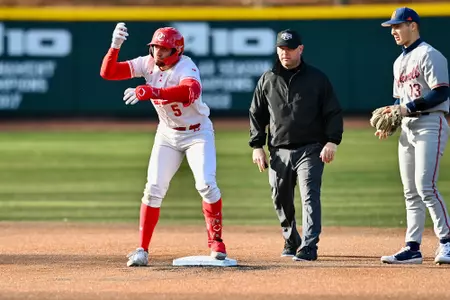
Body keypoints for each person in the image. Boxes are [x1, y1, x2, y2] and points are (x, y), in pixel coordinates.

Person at [100, 23, 227, 267]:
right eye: (155, 46)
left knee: (206, 184)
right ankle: (142, 249)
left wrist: (151, 91)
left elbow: (190, 91)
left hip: (197, 133)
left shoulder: (186, 66)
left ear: (176, 51)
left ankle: (216, 242)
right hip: (167, 134)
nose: (158, 52)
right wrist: (114, 47)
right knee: (153, 188)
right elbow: (109, 73)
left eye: (164, 48)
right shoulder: (147, 62)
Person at [249, 29, 343, 261]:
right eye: (281, 48)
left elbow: (332, 112)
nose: (285, 53)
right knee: (280, 197)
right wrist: (257, 146)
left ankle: (310, 246)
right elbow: (256, 114)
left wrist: (332, 141)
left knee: (309, 195)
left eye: (290, 48)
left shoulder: (317, 78)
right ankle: (292, 240)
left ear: (300, 49)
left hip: (310, 149)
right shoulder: (268, 78)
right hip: (278, 150)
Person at [378, 7, 450, 265]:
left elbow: (441, 92)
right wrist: (391, 120)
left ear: (413, 25)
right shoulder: (399, 62)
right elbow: (400, 99)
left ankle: (447, 242)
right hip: (408, 128)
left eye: (398, 26)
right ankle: (413, 247)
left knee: (425, 187)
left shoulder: (430, 55)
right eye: (392, 28)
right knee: (410, 191)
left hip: (431, 123)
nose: (394, 31)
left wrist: (406, 108)